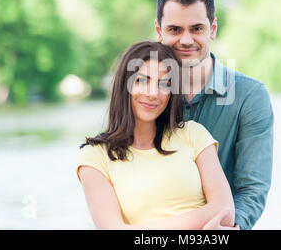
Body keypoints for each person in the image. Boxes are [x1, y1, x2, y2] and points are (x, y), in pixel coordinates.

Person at [77, 41, 238, 229]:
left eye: (165, 84)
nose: (153, 93)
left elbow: (225, 210)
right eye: (142, 80)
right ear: (124, 85)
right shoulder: (95, 156)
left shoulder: (193, 134)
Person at [154, 0, 274, 230]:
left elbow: (252, 188)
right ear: (159, 31)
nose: (186, 40)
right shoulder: (143, 95)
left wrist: (230, 229)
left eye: (197, 28)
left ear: (213, 29)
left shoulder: (249, 96)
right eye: (175, 29)